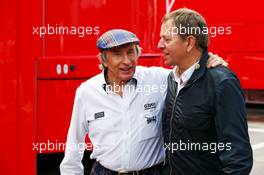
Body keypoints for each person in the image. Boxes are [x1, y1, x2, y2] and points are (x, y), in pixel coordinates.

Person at [60, 29, 226, 175]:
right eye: (118, 54)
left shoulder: (158, 79)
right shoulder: (87, 92)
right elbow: (74, 142)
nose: (127, 61)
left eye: (131, 52)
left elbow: (189, 69)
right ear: (103, 60)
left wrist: (208, 60)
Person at [158, 8, 253, 175]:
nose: (159, 45)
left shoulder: (222, 83)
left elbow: (238, 159)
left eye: (167, 39)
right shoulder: (171, 79)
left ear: (189, 43)